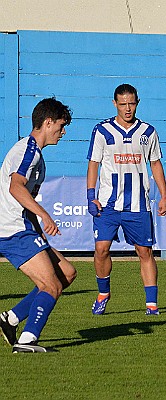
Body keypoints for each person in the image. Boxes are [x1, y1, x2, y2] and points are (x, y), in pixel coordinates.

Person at [0, 97, 77, 353]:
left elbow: (26, 200)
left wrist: (41, 234)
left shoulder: (38, 158)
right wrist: (45, 215)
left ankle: (10, 319)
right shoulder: (28, 150)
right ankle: (27, 340)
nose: (63, 132)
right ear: (48, 122)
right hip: (12, 229)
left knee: (66, 273)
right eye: (61, 126)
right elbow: (15, 187)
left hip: (24, 228)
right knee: (51, 285)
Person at [87, 83, 166, 316]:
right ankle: (103, 293)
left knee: (145, 252)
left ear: (137, 102)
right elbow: (93, 164)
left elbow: (155, 164)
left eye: (131, 103)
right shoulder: (102, 131)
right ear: (115, 104)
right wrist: (91, 195)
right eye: (122, 104)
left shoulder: (148, 132)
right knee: (101, 249)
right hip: (107, 203)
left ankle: (151, 304)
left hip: (138, 204)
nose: (127, 108)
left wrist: (163, 195)